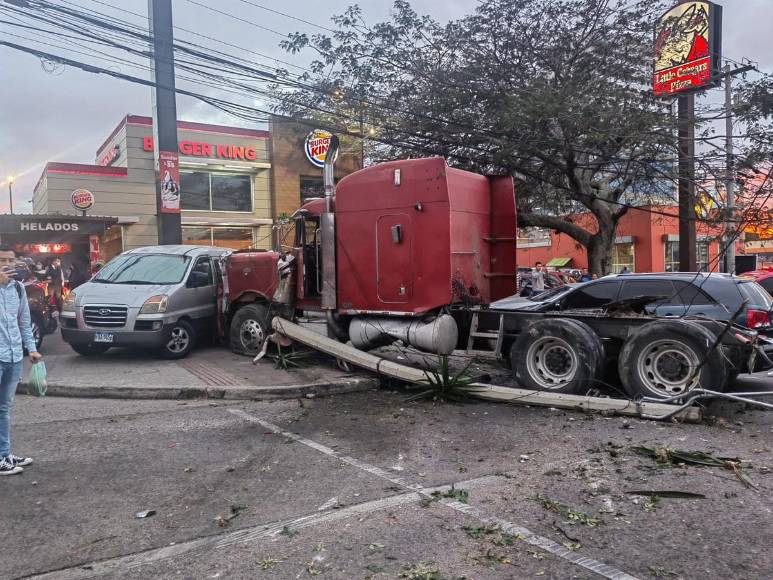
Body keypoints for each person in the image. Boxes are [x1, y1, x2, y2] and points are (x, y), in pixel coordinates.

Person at [0, 246, 42, 475]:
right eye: (1, 260)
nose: (7, 263)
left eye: (10, 260)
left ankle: (5, 454)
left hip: (14, 356)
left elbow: (24, 322)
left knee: (4, 409)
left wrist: (32, 349)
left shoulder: (17, 288)